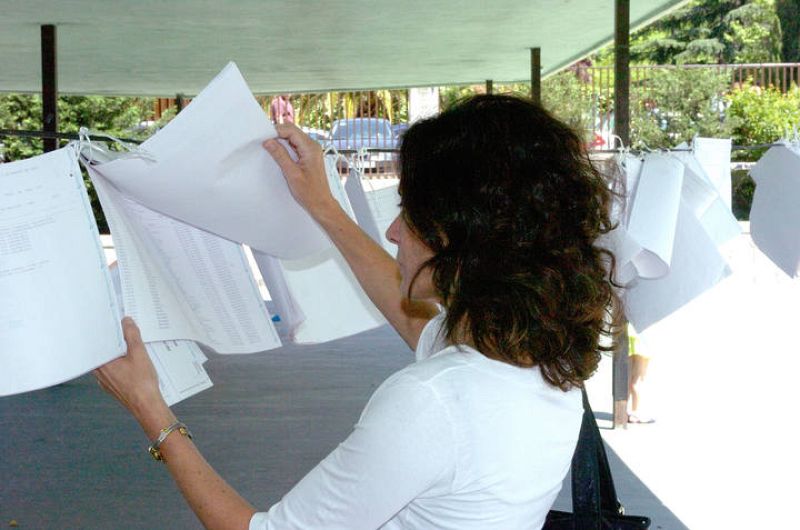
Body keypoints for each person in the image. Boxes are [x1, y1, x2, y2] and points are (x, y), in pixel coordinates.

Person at [95, 95, 620, 530]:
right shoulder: (536, 350)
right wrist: (322, 203)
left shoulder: (432, 402)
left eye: (408, 215)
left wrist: (151, 409)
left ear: (461, 240)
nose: (393, 232)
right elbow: (414, 319)